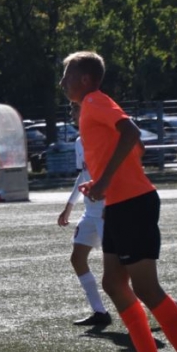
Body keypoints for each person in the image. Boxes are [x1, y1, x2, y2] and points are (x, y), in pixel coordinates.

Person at [60, 50, 177, 352]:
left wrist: (105, 180)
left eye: (66, 76)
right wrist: (103, 181)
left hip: (133, 203)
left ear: (84, 79)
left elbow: (131, 132)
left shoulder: (94, 101)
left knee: (146, 287)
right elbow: (134, 146)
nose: (62, 83)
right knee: (114, 282)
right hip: (118, 204)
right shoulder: (94, 106)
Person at [56, 107, 111, 328]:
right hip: (90, 211)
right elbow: (83, 175)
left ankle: (152, 305)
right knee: (77, 258)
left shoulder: (102, 137)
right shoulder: (79, 141)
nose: (71, 114)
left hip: (108, 210)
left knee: (120, 268)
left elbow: (115, 172)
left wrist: (111, 203)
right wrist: (69, 206)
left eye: (75, 109)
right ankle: (100, 312)